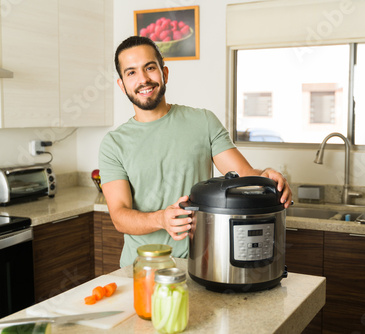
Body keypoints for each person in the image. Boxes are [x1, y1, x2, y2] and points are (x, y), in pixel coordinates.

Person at [99, 36, 292, 268]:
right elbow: (119, 216)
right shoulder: (113, 143)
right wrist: (161, 219)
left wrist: (265, 176)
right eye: (131, 73)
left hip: (200, 263)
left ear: (165, 73)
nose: (143, 79)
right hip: (142, 268)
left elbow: (243, 173)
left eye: (150, 68)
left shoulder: (203, 121)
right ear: (122, 84)